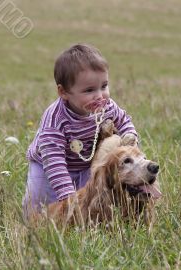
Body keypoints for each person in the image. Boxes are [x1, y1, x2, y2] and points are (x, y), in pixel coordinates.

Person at [22, 43, 138, 217]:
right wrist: (67, 197)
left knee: (87, 200)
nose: (100, 96)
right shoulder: (56, 119)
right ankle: (33, 225)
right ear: (64, 92)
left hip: (86, 164)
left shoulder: (107, 107)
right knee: (40, 201)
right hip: (48, 166)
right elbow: (54, 161)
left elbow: (124, 120)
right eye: (89, 90)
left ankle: (85, 225)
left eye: (104, 86)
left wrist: (129, 136)